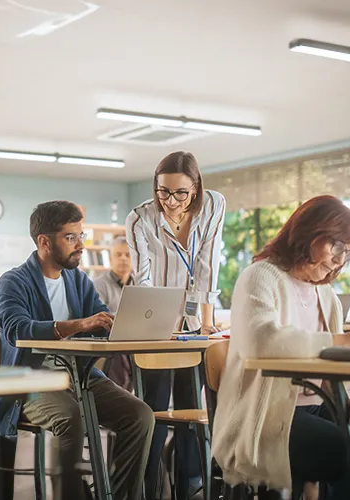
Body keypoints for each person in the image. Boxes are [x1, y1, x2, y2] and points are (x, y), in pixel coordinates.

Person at [212, 195, 350, 500]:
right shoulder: (260, 276)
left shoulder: (325, 295)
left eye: (349, 253)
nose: (341, 260)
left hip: (321, 406)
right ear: (309, 233)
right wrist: (347, 341)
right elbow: (262, 343)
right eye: (337, 246)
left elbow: (332, 368)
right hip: (264, 417)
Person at [0, 201, 154, 500]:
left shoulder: (77, 280)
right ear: (44, 241)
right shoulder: (12, 282)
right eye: (71, 237)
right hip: (29, 380)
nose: (81, 244)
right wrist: (77, 324)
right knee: (71, 417)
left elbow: (100, 318)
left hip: (79, 376)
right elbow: (17, 330)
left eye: (82, 235)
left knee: (140, 415)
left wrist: (126, 324)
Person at [126, 151, 226, 497]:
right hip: (156, 325)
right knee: (152, 410)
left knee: (191, 409)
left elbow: (207, 266)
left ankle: (190, 486)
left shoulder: (214, 206)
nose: (170, 201)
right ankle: (147, 487)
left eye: (180, 193)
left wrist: (203, 321)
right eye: (162, 191)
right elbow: (143, 278)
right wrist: (160, 321)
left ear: (196, 189)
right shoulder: (140, 219)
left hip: (194, 325)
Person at [93, 236, 134, 390]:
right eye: (118, 255)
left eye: (128, 255)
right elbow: (99, 319)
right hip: (111, 342)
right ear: (110, 259)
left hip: (138, 340)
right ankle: (120, 394)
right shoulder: (98, 285)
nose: (123, 258)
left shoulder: (140, 283)